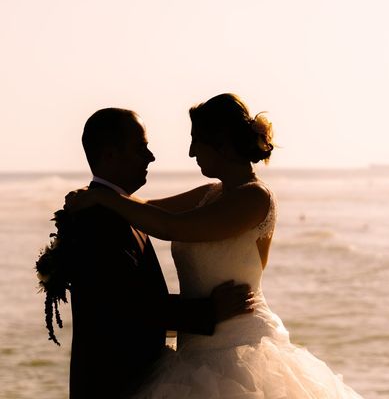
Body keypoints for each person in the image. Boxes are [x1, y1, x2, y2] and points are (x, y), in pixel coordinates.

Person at [65, 94, 363, 398]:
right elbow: (147, 209)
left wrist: (104, 197)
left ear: (220, 144)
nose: (191, 152)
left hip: (239, 348)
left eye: (196, 140)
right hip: (193, 347)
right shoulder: (209, 194)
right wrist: (97, 196)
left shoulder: (254, 198)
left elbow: (171, 227)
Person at [66, 108, 254, 399]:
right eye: (140, 148)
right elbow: (127, 306)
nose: (151, 156)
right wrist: (210, 310)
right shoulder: (98, 220)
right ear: (110, 155)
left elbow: (160, 220)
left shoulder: (119, 210)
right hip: (115, 384)